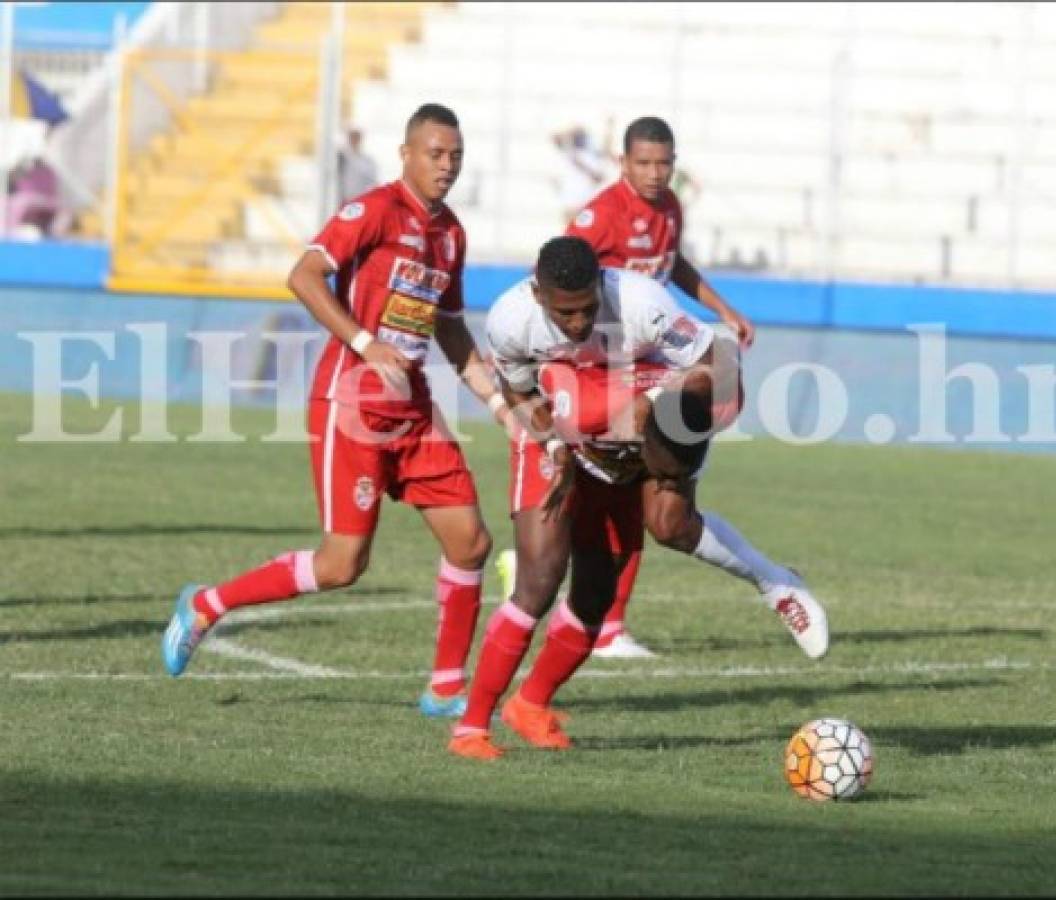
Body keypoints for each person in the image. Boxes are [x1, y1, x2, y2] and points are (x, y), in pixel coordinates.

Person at [161, 103, 513, 718]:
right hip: (350, 404)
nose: (447, 165)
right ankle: (207, 604)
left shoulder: (451, 233)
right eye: (435, 153)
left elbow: (450, 328)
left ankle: (446, 688)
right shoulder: (373, 211)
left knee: (471, 541)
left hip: (412, 409)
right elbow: (302, 276)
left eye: (455, 155)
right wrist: (364, 342)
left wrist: (497, 402)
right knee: (341, 564)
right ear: (406, 154)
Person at [446, 236, 828, 760]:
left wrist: (656, 409)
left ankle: (530, 705)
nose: (578, 323)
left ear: (601, 285)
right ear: (538, 294)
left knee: (605, 587)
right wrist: (556, 446)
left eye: (586, 310)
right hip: (557, 428)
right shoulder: (511, 320)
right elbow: (519, 391)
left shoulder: (642, 304)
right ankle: (471, 728)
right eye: (565, 313)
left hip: (627, 433)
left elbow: (720, 364)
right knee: (539, 576)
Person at [497, 116, 757, 659]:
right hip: (596, 363)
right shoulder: (600, 216)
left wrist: (722, 309)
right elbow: (554, 279)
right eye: (644, 162)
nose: (655, 173)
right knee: (623, 484)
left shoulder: (669, 210)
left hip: (644, 355)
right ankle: (593, 615)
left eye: (664, 163)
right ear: (623, 163)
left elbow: (672, 266)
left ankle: (608, 624)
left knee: (649, 478)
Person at [550, 123, 612, 229]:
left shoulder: (589, 154)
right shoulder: (570, 154)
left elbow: (605, 150)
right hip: (573, 204)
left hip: (586, 204)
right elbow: (555, 137)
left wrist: (609, 127)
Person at [337, 127, 380, 204]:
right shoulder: (341, 157)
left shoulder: (367, 161)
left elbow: (373, 183)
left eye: (356, 137)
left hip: (361, 201)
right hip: (343, 200)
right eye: (352, 137)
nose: (354, 140)